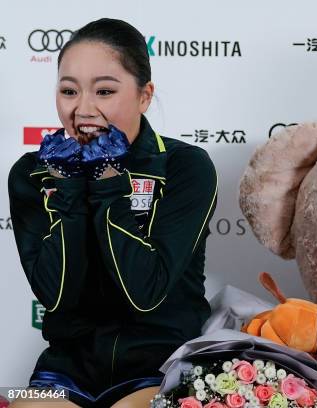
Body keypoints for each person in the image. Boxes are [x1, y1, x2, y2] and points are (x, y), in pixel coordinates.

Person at [8, 18, 218, 408]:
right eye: (69, 91)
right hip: (65, 368)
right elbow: (55, 296)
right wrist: (67, 185)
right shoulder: (31, 172)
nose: (83, 109)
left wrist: (107, 180)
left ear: (144, 95)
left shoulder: (185, 166)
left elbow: (145, 292)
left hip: (161, 365)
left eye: (104, 90)